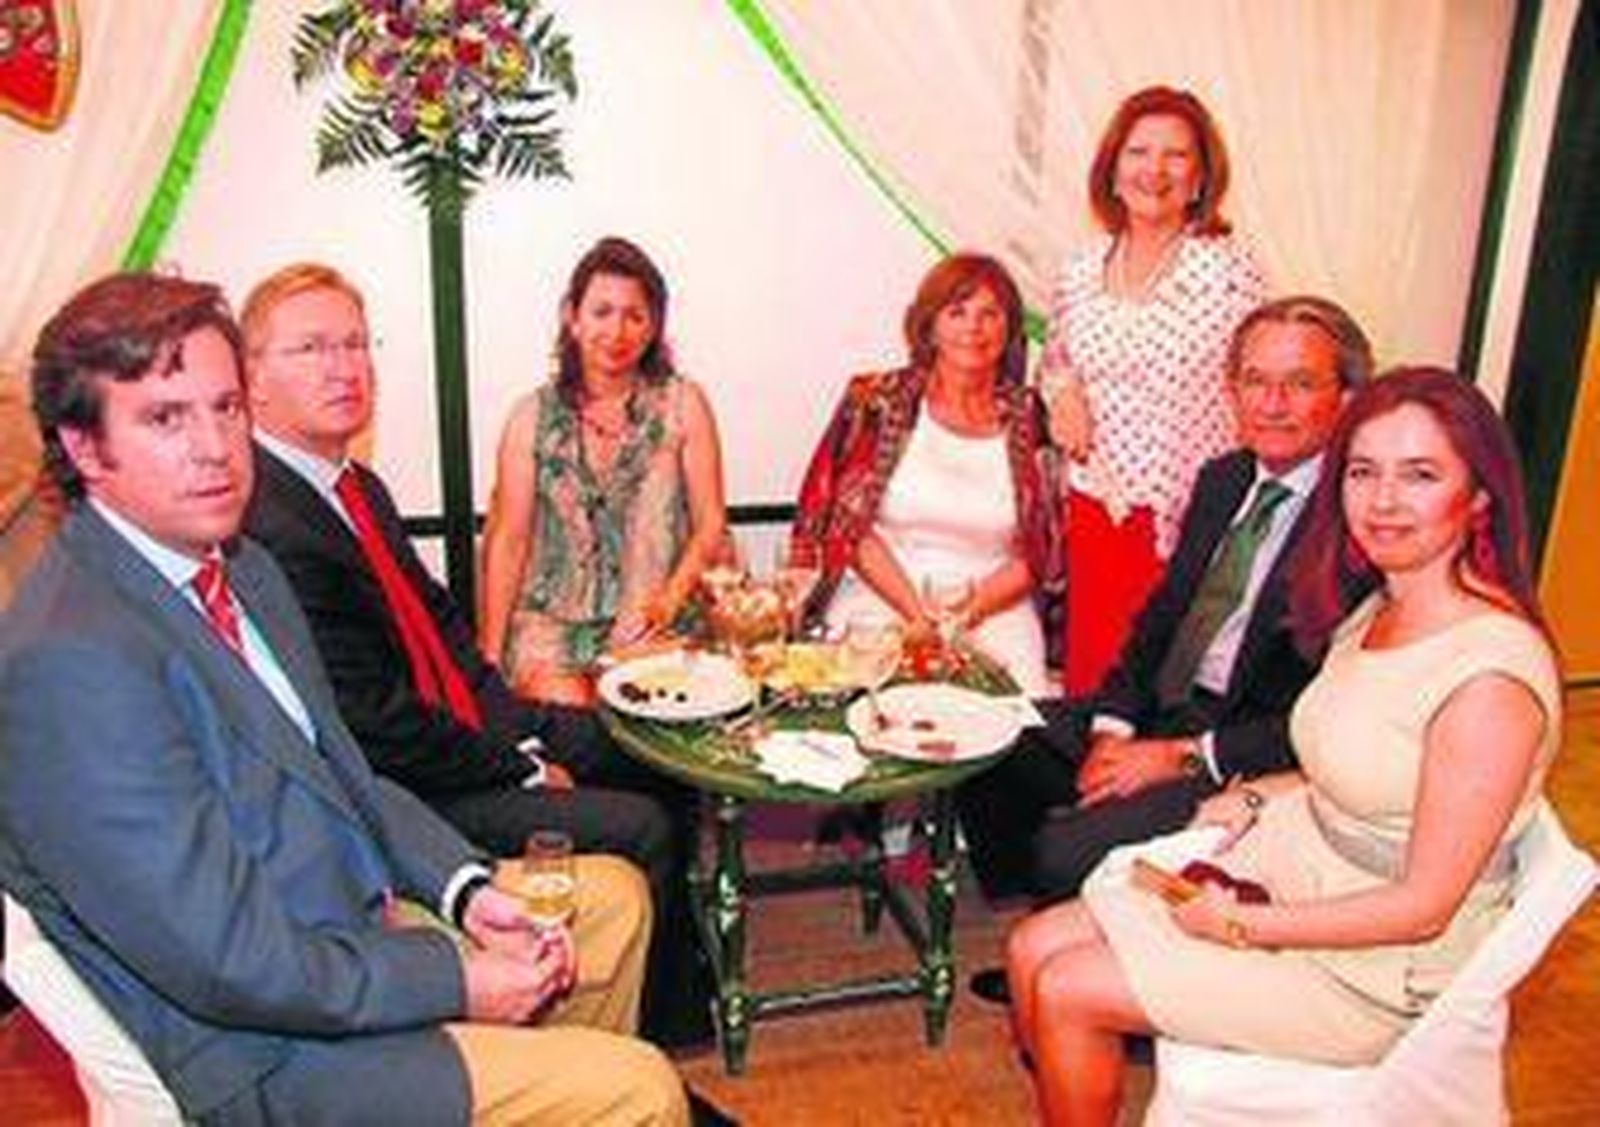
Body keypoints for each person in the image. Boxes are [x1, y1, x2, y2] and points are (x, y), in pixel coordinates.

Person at [0, 272, 688, 1125]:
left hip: (336, 919)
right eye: (166, 418)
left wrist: (468, 890)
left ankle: (551, 1076)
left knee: (613, 906)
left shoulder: (238, 565)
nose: (215, 446)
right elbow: (231, 961)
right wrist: (454, 974)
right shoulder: (71, 659)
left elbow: (342, 772)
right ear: (84, 448)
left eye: (225, 408)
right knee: (641, 1089)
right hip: (269, 1048)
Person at [1007, 367, 1563, 1125]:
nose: (1384, 500)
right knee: (1031, 945)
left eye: (1421, 474)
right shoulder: (1379, 607)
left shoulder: (1488, 683)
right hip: (1310, 861)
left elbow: (1423, 905)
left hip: (1377, 965)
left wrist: (1243, 923)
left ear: (1480, 498)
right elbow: (1366, 761)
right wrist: (1256, 793)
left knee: (1066, 987)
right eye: (1364, 472)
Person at [238, 262, 714, 1050]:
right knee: (642, 825)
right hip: (403, 786)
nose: (345, 366)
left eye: (356, 343)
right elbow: (376, 725)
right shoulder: (270, 521)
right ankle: (657, 1036)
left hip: (457, 727)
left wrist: (519, 732)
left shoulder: (356, 487)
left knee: (655, 747)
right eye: (312, 348)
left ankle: (676, 959)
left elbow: (446, 637)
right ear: (251, 380)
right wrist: (519, 767)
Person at [962, 296, 1373, 1001]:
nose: (1272, 403)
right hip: (1164, 710)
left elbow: (1328, 718)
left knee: (1066, 847)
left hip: (1250, 755)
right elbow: (1158, 624)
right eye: (1253, 380)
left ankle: (1119, 987)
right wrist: (1112, 730)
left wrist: (1179, 757)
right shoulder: (1224, 480)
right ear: (1232, 389)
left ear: (1348, 397)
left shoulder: (1362, 520)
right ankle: (1068, 917)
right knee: (990, 736)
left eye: (1299, 383)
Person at [1039, 85, 1268, 696]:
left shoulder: (1226, 269)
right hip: (1095, 506)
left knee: (1159, 685)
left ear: (1200, 177)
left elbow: (1258, 382)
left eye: (1176, 156)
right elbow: (1057, 360)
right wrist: (1063, 397)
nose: (1155, 170)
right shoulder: (1080, 269)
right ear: (1113, 170)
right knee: (1093, 682)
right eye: (1139, 152)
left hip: (1187, 513)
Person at [790, 252, 1063, 698]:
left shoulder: (1034, 416)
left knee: (1018, 729)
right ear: (928, 325)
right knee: (862, 711)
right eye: (956, 312)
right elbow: (848, 529)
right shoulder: (874, 400)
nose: (973, 328)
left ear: (1011, 330)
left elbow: (1040, 550)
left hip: (994, 606)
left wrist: (962, 616)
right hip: (882, 595)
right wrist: (918, 617)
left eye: (989, 314)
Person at [479, 236, 728, 707]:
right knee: (571, 723)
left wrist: (670, 599)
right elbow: (507, 539)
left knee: (647, 715)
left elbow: (711, 522)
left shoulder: (684, 404)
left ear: (653, 327)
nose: (617, 331)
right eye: (602, 312)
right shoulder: (529, 417)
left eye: (635, 315)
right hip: (551, 627)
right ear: (572, 318)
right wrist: (489, 660)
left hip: (656, 624)